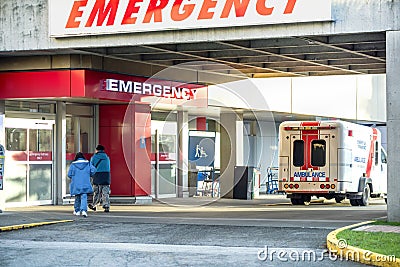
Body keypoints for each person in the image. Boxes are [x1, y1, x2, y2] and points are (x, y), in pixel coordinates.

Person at [68, 152, 96, 217]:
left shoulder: (73, 164)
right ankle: (83, 210)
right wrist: (89, 175)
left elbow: (69, 174)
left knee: (77, 196)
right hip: (85, 183)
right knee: (84, 196)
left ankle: (77, 211)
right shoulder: (88, 163)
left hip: (76, 184)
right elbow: (93, 170)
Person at [89, 144, 111, 212]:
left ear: (97, 150)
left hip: (97, 175)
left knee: (97, 191)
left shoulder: (94, 157)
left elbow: (91, 167)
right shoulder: (107, 157)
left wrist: (91, 175)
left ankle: (94, 204)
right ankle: (106, 205)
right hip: (106, 175)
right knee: (105, 191)